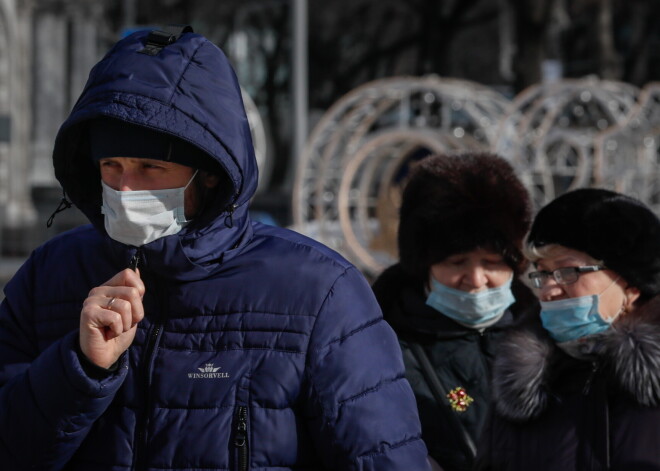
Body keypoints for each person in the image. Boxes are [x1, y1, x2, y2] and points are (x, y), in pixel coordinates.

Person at [0, 25, 431, 471]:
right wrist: (81, 369)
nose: (126, 188)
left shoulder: (319, 291)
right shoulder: (51, 272)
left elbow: (385, 458)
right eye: (111, 165)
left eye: (151, 167)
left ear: (209, 173)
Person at [371, 153, 538, 471]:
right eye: (456, 262)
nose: (476, 280)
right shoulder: (382, 347)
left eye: (492, 262)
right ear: (424, 264)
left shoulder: (547, 336)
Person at [474, 188, 660, 470]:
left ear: (630, 285)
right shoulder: (521, 385)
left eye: (567, 271)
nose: (548, 290)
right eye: (542, 273)